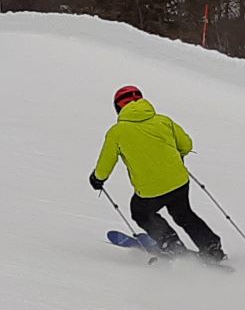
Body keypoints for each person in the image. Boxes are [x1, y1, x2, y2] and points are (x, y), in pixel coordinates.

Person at [90, 84, 224, 260]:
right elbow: (186, 145)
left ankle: (170, 242)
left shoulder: (117, 133)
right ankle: (211, 247)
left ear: (118, 108)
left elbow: (105, 164)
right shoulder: (163, 121)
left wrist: (97, 179)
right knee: (183, 213)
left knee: (140, 212)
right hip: (179, 182)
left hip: (150, 190)